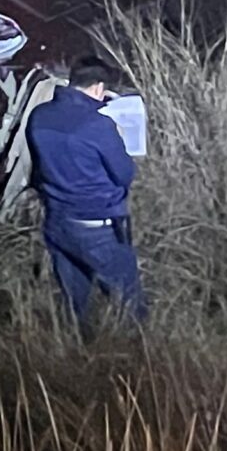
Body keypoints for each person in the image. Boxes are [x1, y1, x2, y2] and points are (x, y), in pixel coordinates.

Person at [25, 55, 148, 330]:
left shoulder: (39, 115)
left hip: (57, 221)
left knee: (73, 306)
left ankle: (74, 356)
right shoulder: (99, 125)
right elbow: (124, 174)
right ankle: (143, 363)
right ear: (98, 88)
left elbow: (37, 167)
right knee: (129, 304)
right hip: (98, 226)